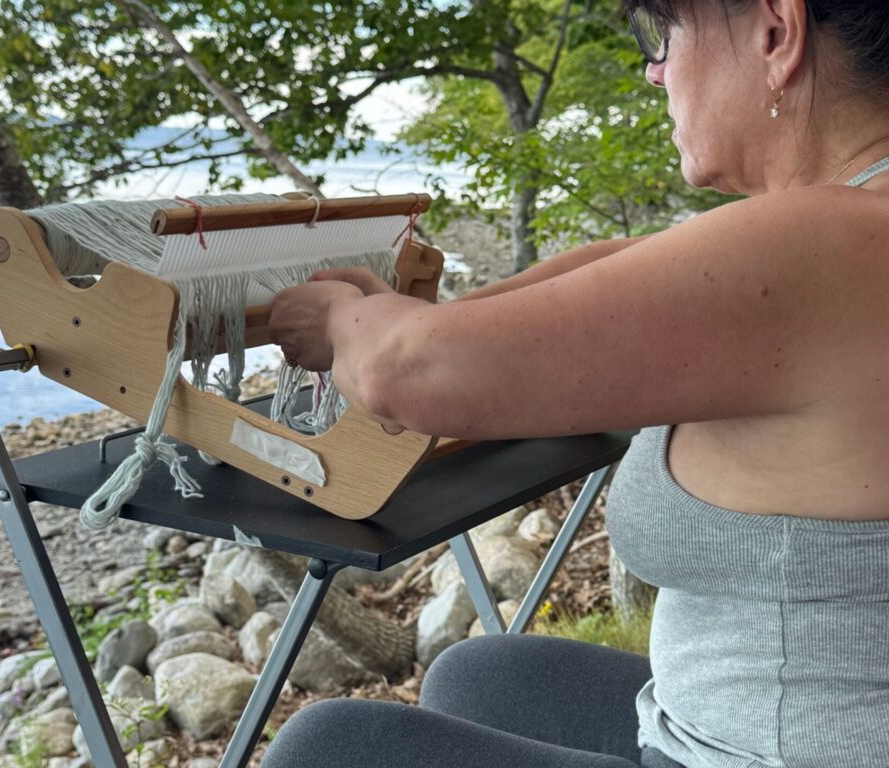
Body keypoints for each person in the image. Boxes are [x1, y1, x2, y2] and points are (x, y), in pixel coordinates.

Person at [263, 1, 889, 766]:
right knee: (479, 678)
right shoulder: (855, 223)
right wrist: (399, 312)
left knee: (331, 748)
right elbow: (630, 265)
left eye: (667, 33)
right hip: (789, 719)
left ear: (775, 32)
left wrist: (338, 321)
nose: (655, 67)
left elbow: (405, 374)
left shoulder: (827, 246)